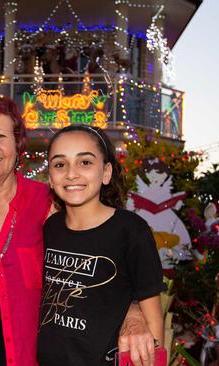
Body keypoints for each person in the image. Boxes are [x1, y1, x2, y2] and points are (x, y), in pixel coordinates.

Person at [0, 96, 158, 366]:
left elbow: (94, 264)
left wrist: (133, 309)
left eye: (0, 135)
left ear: (18, 142)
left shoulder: (48, 205)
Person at [37, 125, 165, 366]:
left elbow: (153, 319)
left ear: (106, 172)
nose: (71, 173)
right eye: (60, 164)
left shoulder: (131, 230)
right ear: (51, 179)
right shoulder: (50, 228)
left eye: (85, 162)